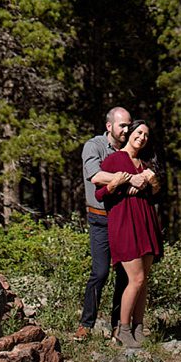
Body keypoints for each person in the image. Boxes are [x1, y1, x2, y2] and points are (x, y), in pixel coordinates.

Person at [98, 119, 163, 348]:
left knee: (143, 281)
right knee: (135, 279)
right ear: (130, 133)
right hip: (124, 224)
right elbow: (100, 193)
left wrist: (152, 182)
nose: (142, 137)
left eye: (146, 134)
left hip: (145, 224)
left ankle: (138, 327)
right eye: (139, 132)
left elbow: (156, 196)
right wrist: (119, 183)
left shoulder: (146, 163)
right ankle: (122, 330)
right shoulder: (114, 159)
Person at [77, 107, 133, 342]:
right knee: (100, 273)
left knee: (124, 274)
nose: (127, 130)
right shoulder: (94, 146)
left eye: (129, 125)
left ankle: (118, 327)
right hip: (100, 217)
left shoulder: (131, 148)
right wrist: (128, 177)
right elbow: (95, 175)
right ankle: (85, 324)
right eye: (123, 126)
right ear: (110, 126)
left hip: (124, 218)